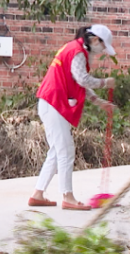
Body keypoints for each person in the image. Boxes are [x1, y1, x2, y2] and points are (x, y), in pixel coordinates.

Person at [29, 25, 116, 210]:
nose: (102, 51)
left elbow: (79, 83)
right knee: (66, 150)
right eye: (103, 46)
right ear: (94, 40)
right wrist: (104, 82)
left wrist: (99, 102)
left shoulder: (73, 49)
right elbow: (83, 79)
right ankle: (67, 197)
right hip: (53, 103)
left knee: (56, 151)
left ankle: (38, 194)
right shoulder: (77, 52)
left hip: (50, 103)